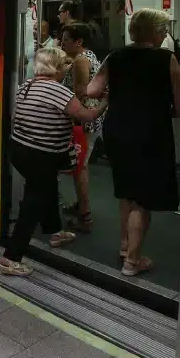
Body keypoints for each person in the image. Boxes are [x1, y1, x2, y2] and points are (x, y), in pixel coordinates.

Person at [86, 8, 180, 277]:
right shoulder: (167, 59)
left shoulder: (115, 56)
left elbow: (92, 90)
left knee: (126, 191)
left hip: (118, 129)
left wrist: (118, 95)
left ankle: (124, 245)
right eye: (163, 30)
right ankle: (132, 260)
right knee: (143, 199)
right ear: (154, 32)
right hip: (151, 132)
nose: (165, 34)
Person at [0, 47, 106, 277]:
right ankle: (10, 258)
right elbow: (86, 116)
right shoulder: (59, 91)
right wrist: (105, 101)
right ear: (56, 69)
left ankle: (55, 231)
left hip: (19, 150)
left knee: (46, 187)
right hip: (42, 155)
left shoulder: (25, 86)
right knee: (32, 203)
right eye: (64, 66)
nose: (66, 69)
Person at [58, 23, 103, 237]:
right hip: (88, 120)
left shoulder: (80, 61)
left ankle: (85, 216)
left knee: (79, 167)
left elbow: (80, 93)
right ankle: (80, 205)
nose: (62, 42)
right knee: (80, 165)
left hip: (82, 121)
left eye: (66, 39)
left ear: (79, 42)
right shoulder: (88, 56)